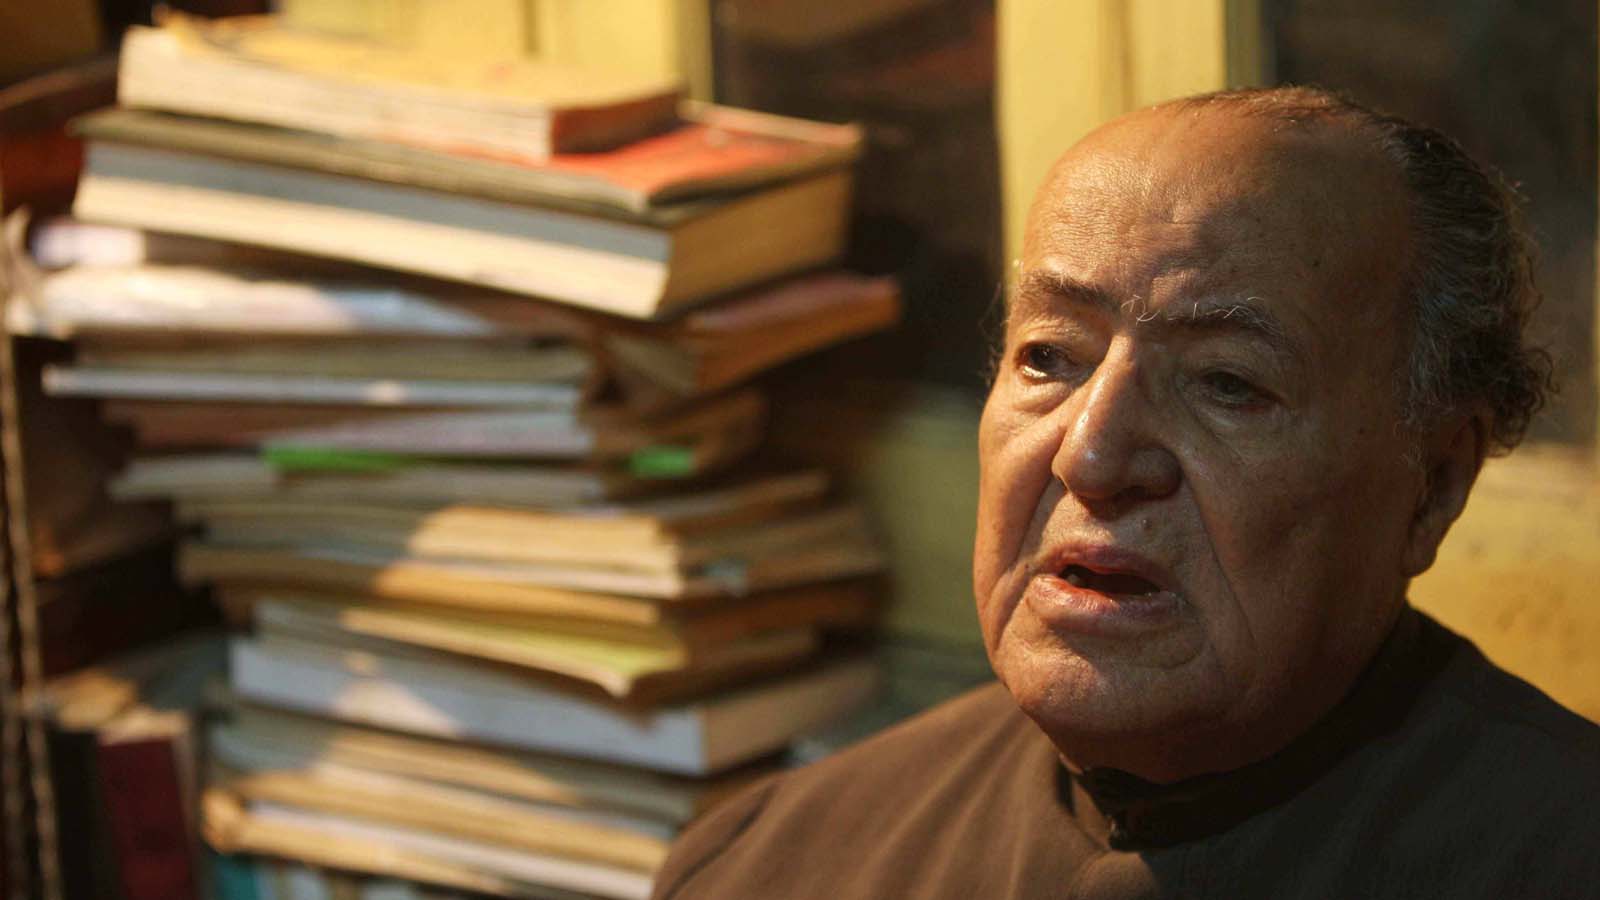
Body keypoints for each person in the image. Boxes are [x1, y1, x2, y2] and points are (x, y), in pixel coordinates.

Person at [649, 86, 1600, 899]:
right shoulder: (772, 864)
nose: (1093, 457)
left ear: (1434, 484)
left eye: (1226, 383)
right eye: (1049, 357)